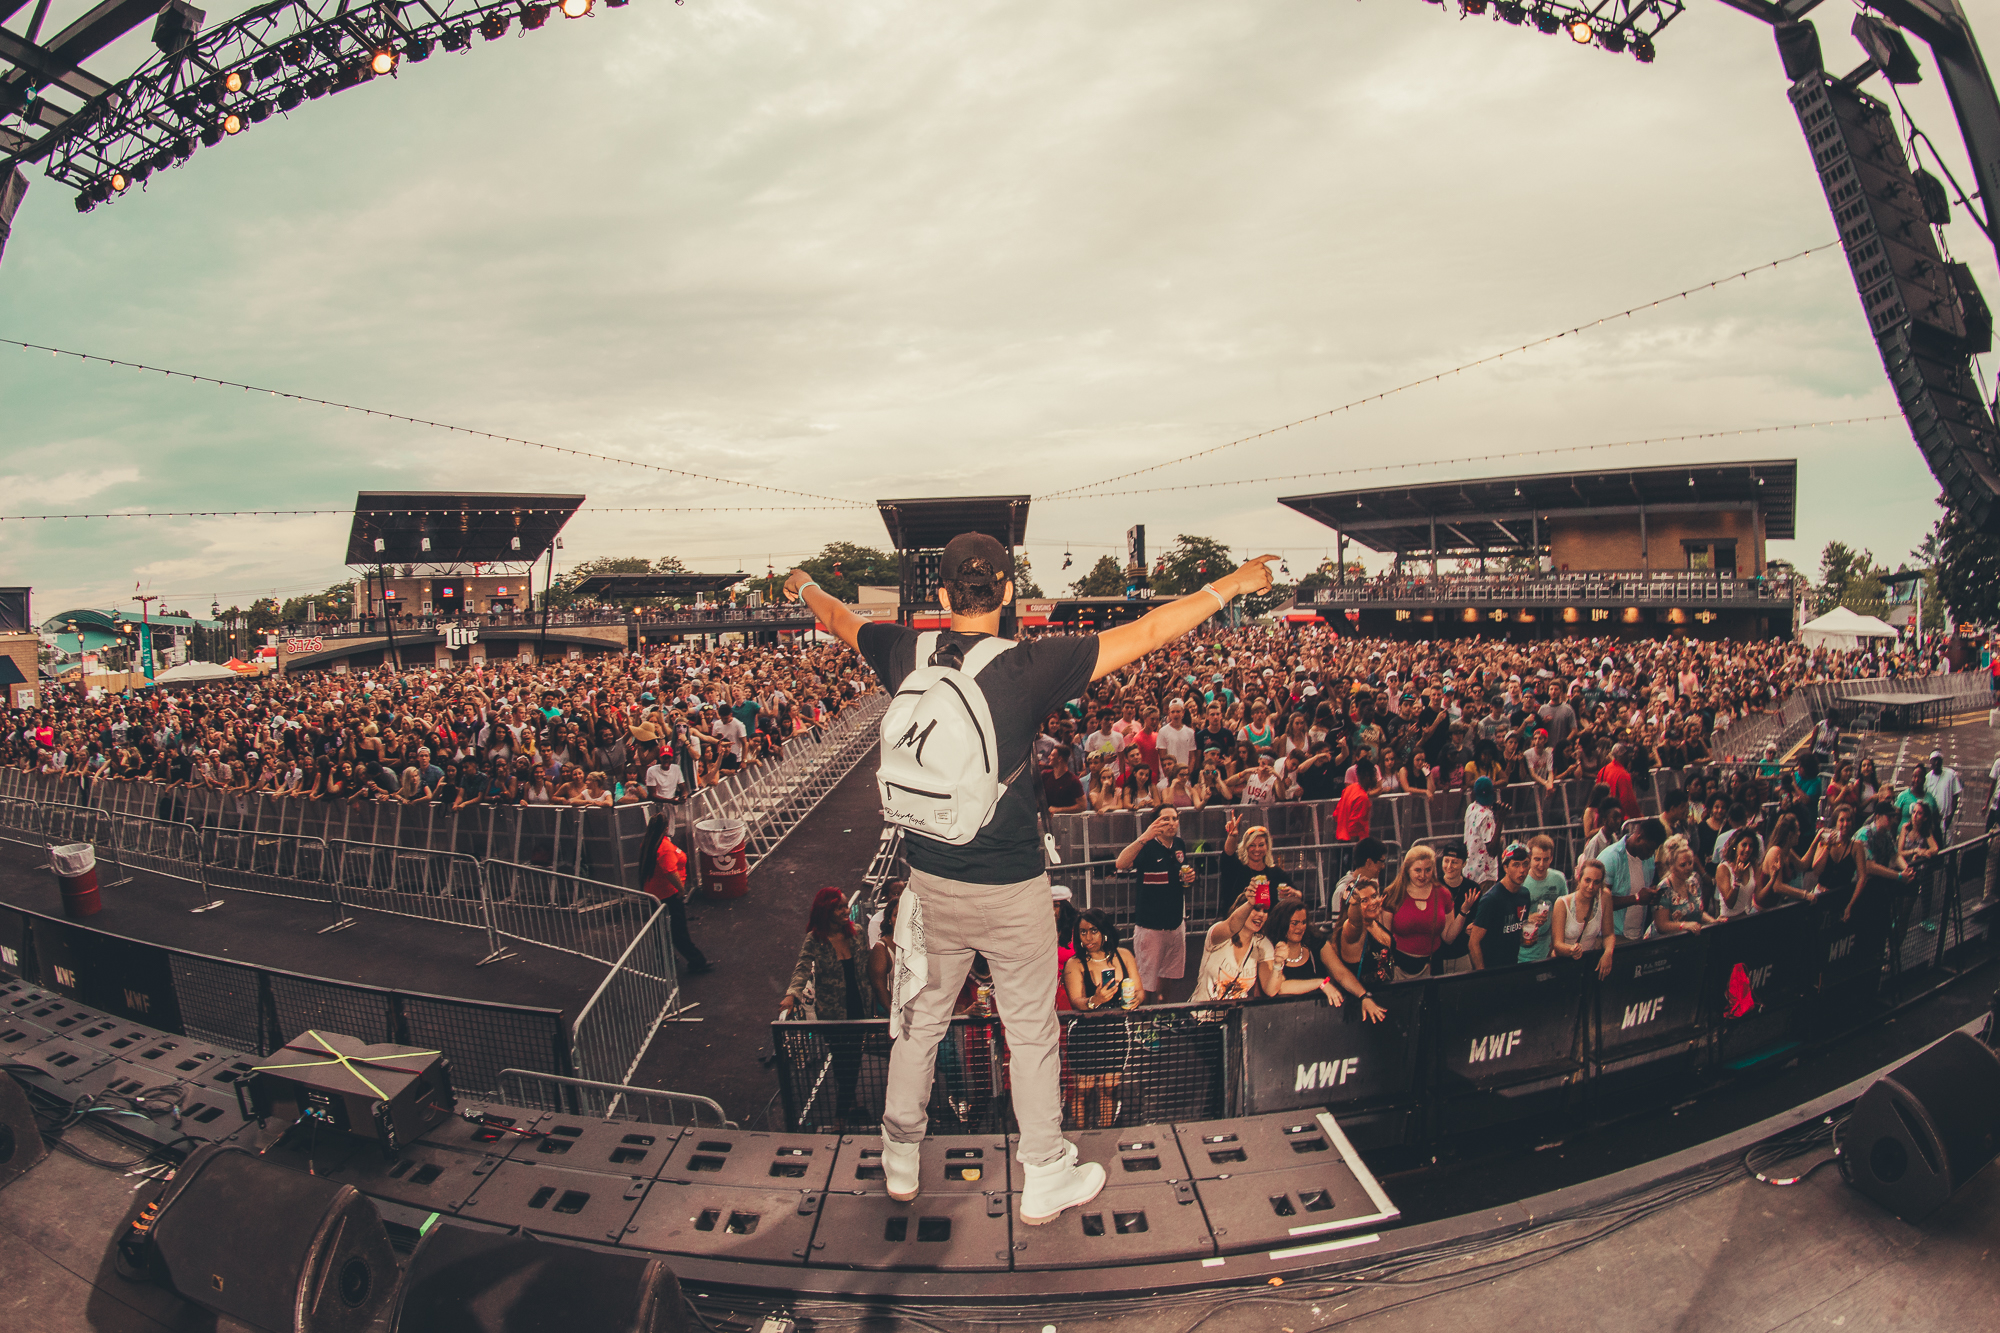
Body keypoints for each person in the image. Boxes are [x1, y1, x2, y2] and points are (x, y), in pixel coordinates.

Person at [786, 535, 1277, 1224]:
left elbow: (837, 617)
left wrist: (803, 586)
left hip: (927, 883)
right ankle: (1044, 1170)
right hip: (1012, 888)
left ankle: (900, 1153)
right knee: (1032, 1029)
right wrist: (1230, 584)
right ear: (1010, 594)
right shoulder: (1031, 664)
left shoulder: (906, 651)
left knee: (919, 1019)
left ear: (944, 596)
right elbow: (1148, 630)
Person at [778, 888, 869, 1125]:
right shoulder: (815, 939)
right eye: (840, 907)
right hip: (832, 1012)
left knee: (852, 1060)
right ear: (826, 910)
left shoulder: (858, 933)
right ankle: (850, 1103)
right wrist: (792, 995)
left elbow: (869, 966)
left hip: (859, 1007)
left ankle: (841, 1114)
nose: (846, 911)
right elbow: (802, 967)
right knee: (842, 1062)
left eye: (846, 906)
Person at [1062, 908, 1142, 1128]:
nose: (1088, 938)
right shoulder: (1074, 964)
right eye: (1082, 932)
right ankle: (1081, 1135)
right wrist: (1094, 1000)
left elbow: (1140, 990)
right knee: (1083, 1090)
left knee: (1109, 1088)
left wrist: (1136, 1000)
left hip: (1116, 1034)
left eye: (1093, 931)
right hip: (1085, 1035)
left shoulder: (1124, 956)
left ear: (1104, 931)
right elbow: (1076, 1000)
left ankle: (1105, 1134)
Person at [1115, 805, 1198, 997]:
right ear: (1155, 823)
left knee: (1167, 976)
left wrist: (1189, 878)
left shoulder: (1179, 844)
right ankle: (1141, 1022)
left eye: (1174, 818)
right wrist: (1144, 836)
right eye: (1165, 819)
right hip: (1150, 927)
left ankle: (1162, 1018)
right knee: (1145, 982)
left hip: (1176, 924)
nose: (1171, 823)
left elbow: (1178, 875)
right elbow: (1121, 863)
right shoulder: (1147, 846)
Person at [1379, 844, 1465, 981]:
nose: (1423, 875)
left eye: (1428, 870)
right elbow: (1383, 938)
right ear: (1407, 870)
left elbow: (1448, 938)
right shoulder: (1393, 894)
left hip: (1432, 964)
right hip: (1399, 965)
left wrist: (1463, 913)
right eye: (1417, 870)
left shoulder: (1443, 894)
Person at [639, 811, 710, 975]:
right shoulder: (664, 848)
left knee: (661, 928)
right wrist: (681, 890)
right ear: (665, 828)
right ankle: (696, 960)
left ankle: (665, 958)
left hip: (655, 893)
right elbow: (670, 871)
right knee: (679, 930)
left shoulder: (649, 843)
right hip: (668, 895)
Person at [1191, 887, 1276, 1003]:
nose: (1261, 914)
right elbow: (1231, 926)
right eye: (1256, 909)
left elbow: (1270, 990)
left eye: (1265, 910)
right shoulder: (1218, 933)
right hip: (1200, 1016)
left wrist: (1279, 964)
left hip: (1234, 1019)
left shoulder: (1262, 944)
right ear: (1239, 909)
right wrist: (1250, 903)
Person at [1599, 817, 1666, 940]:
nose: (1652, 854)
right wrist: (1636, 899)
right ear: (1639, 838)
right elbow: (1601, 902)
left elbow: (1646, 889)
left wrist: (1652, 896)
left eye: (1654, 850)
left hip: (1638, 935)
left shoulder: (1648, 859)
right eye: (1650, 848)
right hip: (1613, 936)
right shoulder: (1610, 858)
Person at [1469, 842, 1532, 969]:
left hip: (1512, 965)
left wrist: (1529, 937)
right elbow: (1473, 942)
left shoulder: (1524, 894)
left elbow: (1515, 932)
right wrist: (1483, 974)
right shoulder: (1492, 899)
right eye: (1516, 865)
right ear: (1505, 867)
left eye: (1525, 864)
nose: (1522, 870)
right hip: (1491, 968)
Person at [1550, 859, 1617, 977]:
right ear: (1579, 879)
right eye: (1587, 880)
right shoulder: (1562, 903)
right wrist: (1571, 950)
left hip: (1588, 964)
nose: (1591, 886)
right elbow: (1557, 945)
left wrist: (1608, 953)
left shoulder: (1604, 897)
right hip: (1563, 965)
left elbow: (1608, 934)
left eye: (1596, 882)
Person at [1651, 834, 1717, 936]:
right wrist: (1684, 926)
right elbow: (1661, 926)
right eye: (1683, 865)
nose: (1688, 868)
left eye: (1690, 863)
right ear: (1671, 865)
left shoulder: (1693, 882)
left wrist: (1713, 922)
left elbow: (1698, 913)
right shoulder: (1664, 889)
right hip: (1664, 942)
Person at [1516, 834, 1567, 964]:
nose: (1541, 864)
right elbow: (1508, 917)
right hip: (1522, 950)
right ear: (1529, 858)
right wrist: (1527, 919)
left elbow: (1565, 912)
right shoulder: (1520, 881)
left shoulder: (1559, 879)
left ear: (1551, 859)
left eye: (1546, 859)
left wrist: (1557, 943)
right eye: (1537, 859)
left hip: (1548, 948)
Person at [1463, 775, 1500, 884]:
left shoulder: (1471, 808)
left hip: (1469, 871)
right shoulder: (1487, 816)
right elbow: (1492, 850)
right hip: (1484, 875)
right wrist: (1501, 820)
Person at [1922, 750, 1963, 832]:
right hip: (1932, 819)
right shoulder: (1927, 778)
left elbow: (1955, 797)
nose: (1936, 763)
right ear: (1930, 762)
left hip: (1946, 818)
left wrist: (1950, 816)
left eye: (1939, 760)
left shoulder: (1951, 775)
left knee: (1946, 842)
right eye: (1934, 760)